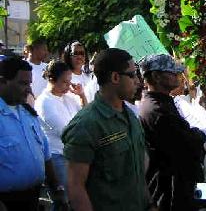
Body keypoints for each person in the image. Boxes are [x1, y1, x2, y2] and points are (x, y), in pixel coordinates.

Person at [61, 48, 150, 211]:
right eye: (132, 75)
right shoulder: (85, 125)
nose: (138, 81)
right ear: (115, 77)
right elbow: (75, 188)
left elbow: (138, 174)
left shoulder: (130, 116)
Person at [139, 54, 206, 211]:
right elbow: (191, 145)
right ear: (156, 76)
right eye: (173, 72)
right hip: (174, 193)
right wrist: (199, 133)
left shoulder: (164, 102)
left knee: (205, 203)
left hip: (190, 183)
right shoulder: (157, 110)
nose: (178, 76)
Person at [0, 57, 66, 211]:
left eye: (29, 83)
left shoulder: (27, 112)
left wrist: (57, 188)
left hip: (34, 199)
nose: (29, 89)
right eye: (23, 83)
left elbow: (45, 153)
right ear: (3, 82)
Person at [35, 60, 87, 207]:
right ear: (52, 79)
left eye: (70, 81)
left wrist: (82, 96)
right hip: (57, 157)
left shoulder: (69, 97)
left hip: (72, 155)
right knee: (63, 201)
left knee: (74, 198)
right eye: (65, 82)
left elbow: (86, 116)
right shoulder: (44, 102)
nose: (68, 86)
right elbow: (66, 132)